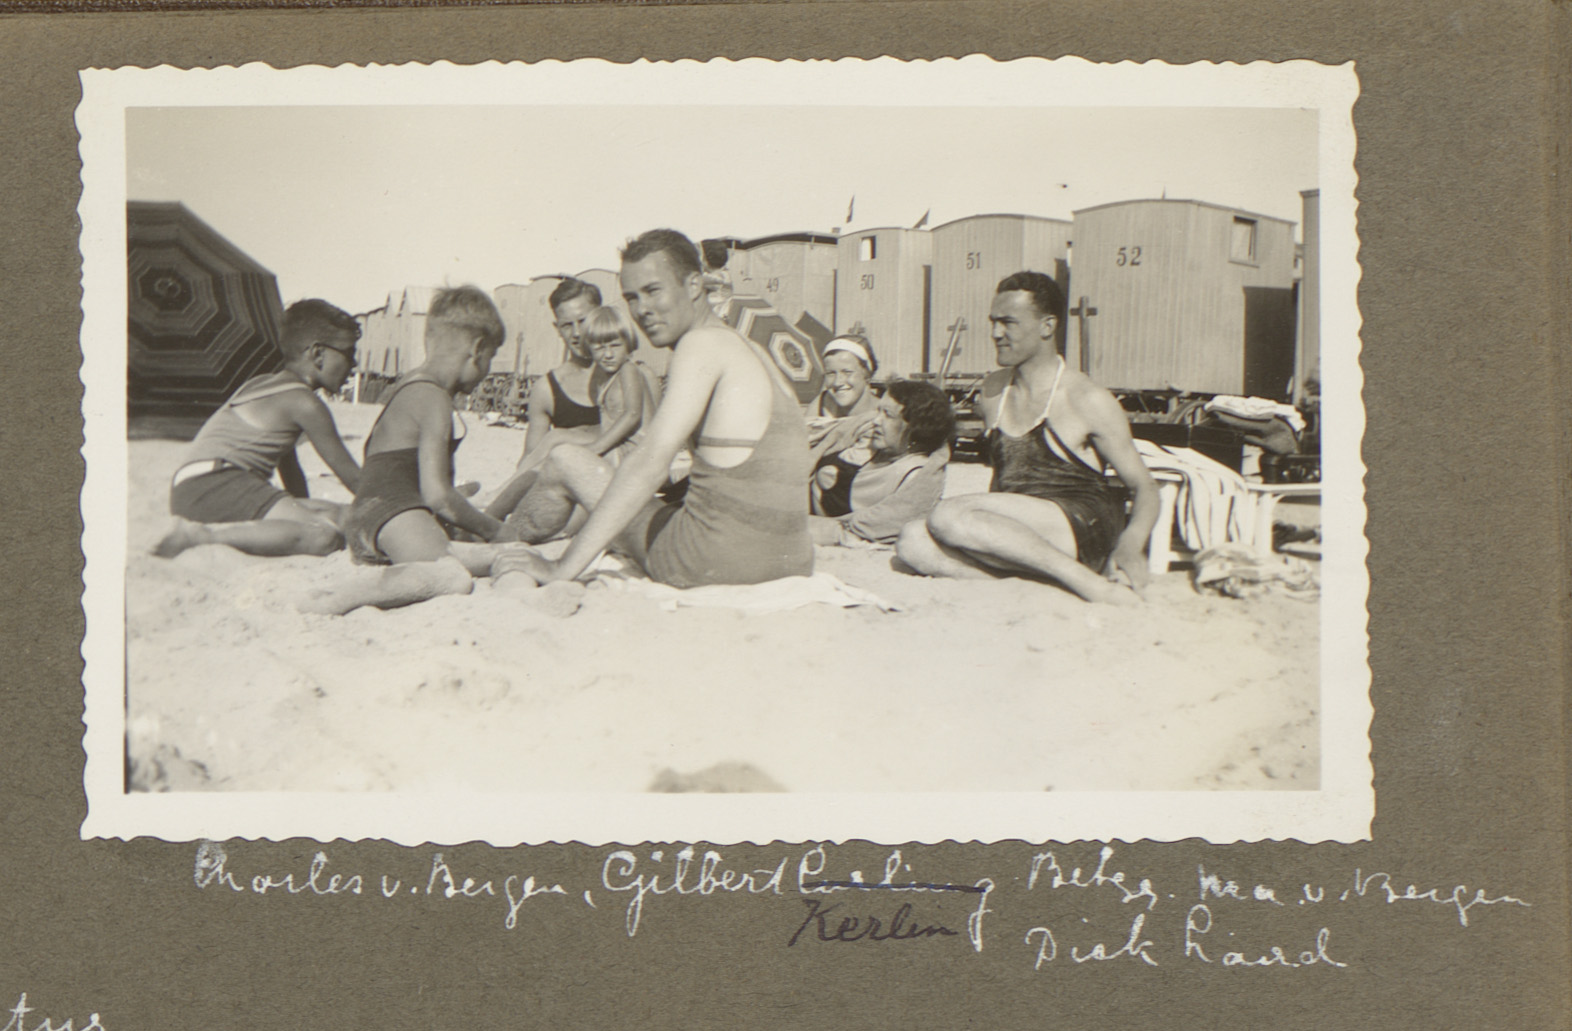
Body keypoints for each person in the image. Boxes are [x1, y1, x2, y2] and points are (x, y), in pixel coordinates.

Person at [495, 228, 813, 588]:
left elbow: (649, 463)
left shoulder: (700, 344)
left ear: (694, 285)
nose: (641, 310)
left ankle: (497, 543)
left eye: (653, 290)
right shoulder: (753, 351)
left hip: (715, 561)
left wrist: (562, 568)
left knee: (565, 460)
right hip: (793, 562)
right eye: (631, 297)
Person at [895, 271, 1159, 605]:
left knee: (948, 515)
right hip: (1019, 534)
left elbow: (1145, 488)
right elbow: (1004, 476)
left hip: (1080, 526)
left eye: (1008, 322)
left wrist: (1130, 545)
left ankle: (1091, 586)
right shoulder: (993, 391)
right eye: (993, 322)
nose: (996, 333)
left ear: (1047, 326)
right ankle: (1048, 589)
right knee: (912, 541)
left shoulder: (1086, 398)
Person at [301, 286, 522, 614]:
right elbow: (438, 496)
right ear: (477, 349)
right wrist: (495, 529)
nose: (488, 369)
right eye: (490, 357)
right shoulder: (434, 398)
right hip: (395, 515)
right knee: (450, 576)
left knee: (473, 556)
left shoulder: (407, 385)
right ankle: (342, 597)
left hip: (370, 517)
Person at [153, 298, 363, 559]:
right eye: (349, 353)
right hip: (218, 484)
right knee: (325, 536)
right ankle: (201, 538)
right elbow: (355, 480)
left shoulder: (263, 384)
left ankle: (202, 534)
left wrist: (298, 513)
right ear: (317, 354)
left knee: (339, 514)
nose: (354, 364)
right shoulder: (305, 403)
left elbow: (290, 468)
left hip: (193, 486)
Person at [809, 379, 955, 547]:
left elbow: (882, 523)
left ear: (915, 426)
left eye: (888, 415)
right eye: (878, 411)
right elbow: (829, 435)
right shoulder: (872, 436)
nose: (876, 420)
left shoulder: (914, 473)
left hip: (813, 522)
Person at [516, 277, 605, 468]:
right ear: (557, 329)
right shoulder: (547, 389)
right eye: (567, 325)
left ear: (601, 317)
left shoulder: (631, 376)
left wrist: (566, 437)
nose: (577, 333)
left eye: (583, 321)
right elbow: (530, 459)